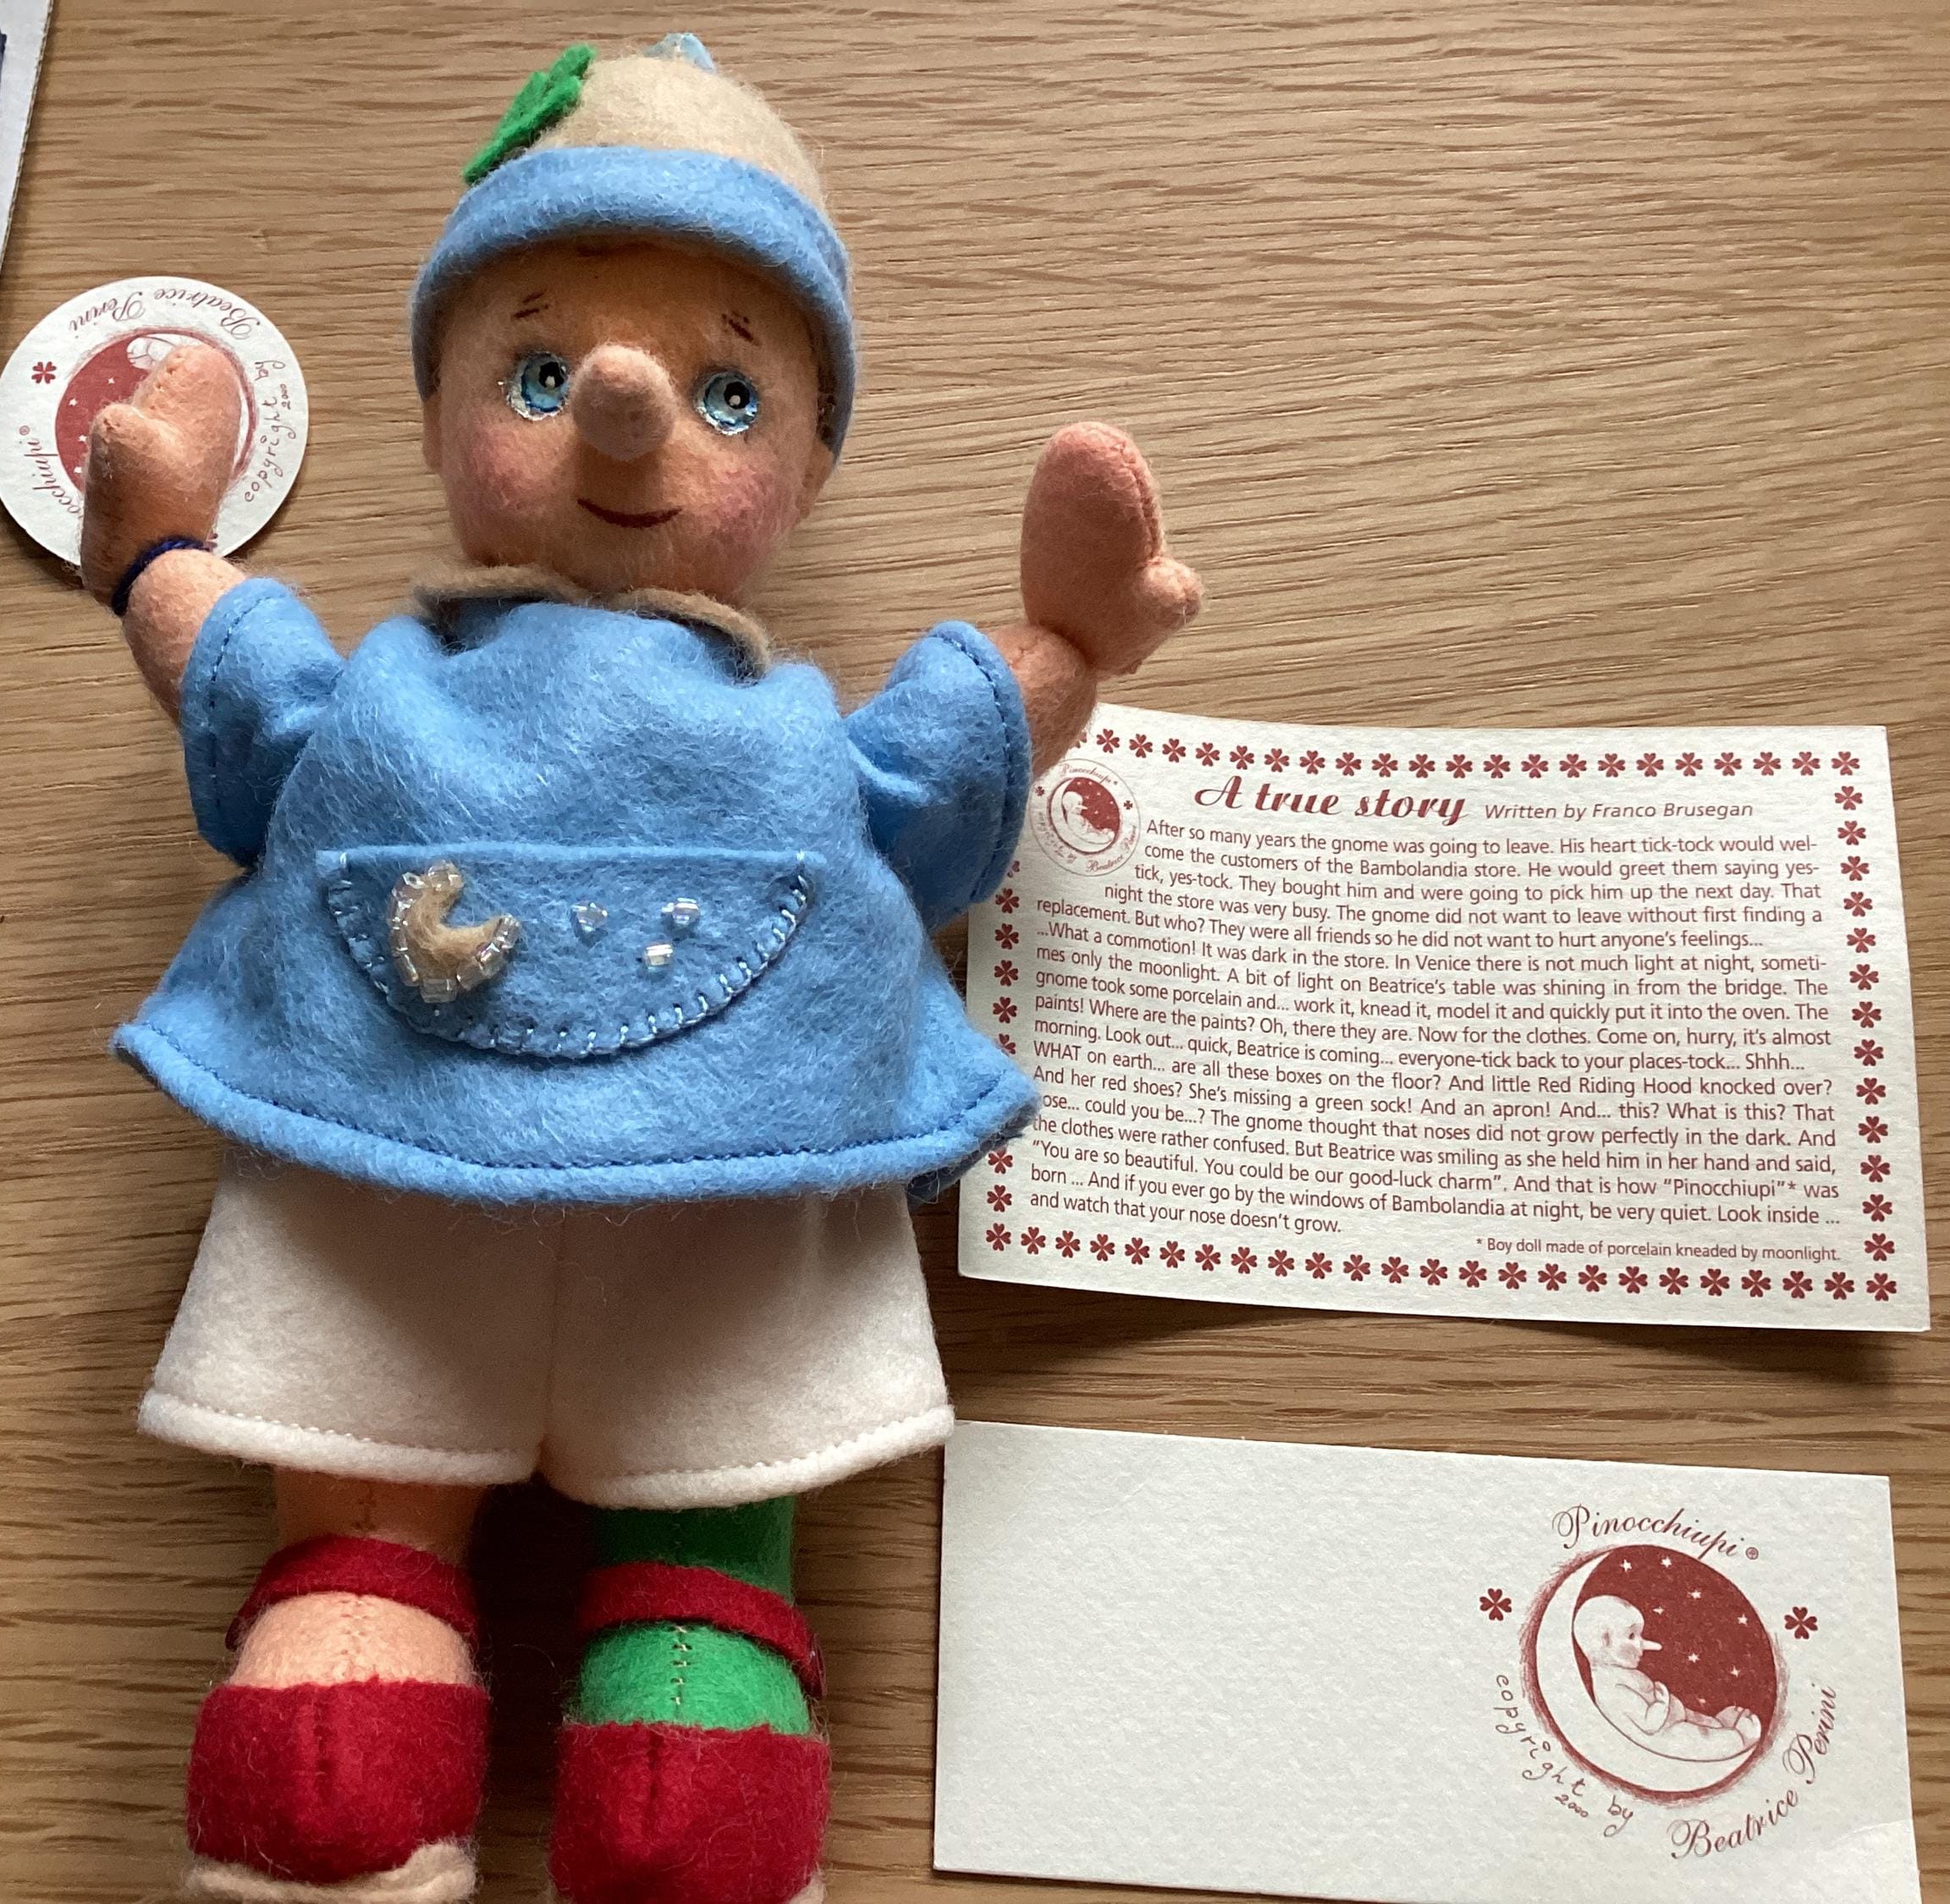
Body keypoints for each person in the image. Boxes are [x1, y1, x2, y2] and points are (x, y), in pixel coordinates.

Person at [79, 35, 1198, 1904]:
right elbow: (259, 704)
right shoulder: (398, 696)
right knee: (357, 1577)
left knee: (707, 1546)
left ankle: (690, 1705)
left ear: (809, 463)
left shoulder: (786, 732)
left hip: (723, 1180)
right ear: (440, 416)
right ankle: (359, 1729)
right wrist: (158, 556)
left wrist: (1067, 645)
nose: (617, 406)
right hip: (386, 1155)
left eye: (728, 394)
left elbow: (930, 781)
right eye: (537, 373)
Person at [1573, 1595, 1763, 1762]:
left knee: (1696, 1719)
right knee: (1698, 1738)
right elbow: (1648, 1724)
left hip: (1673, 1718)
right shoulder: (1612, 1687)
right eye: (1632, 1636)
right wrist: (1662, 1702)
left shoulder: (1618, 1672)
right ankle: (1739, 1740)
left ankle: (1718, 1725)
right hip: (1666, 1735)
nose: (1643, 1644)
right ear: (1604, 1641)